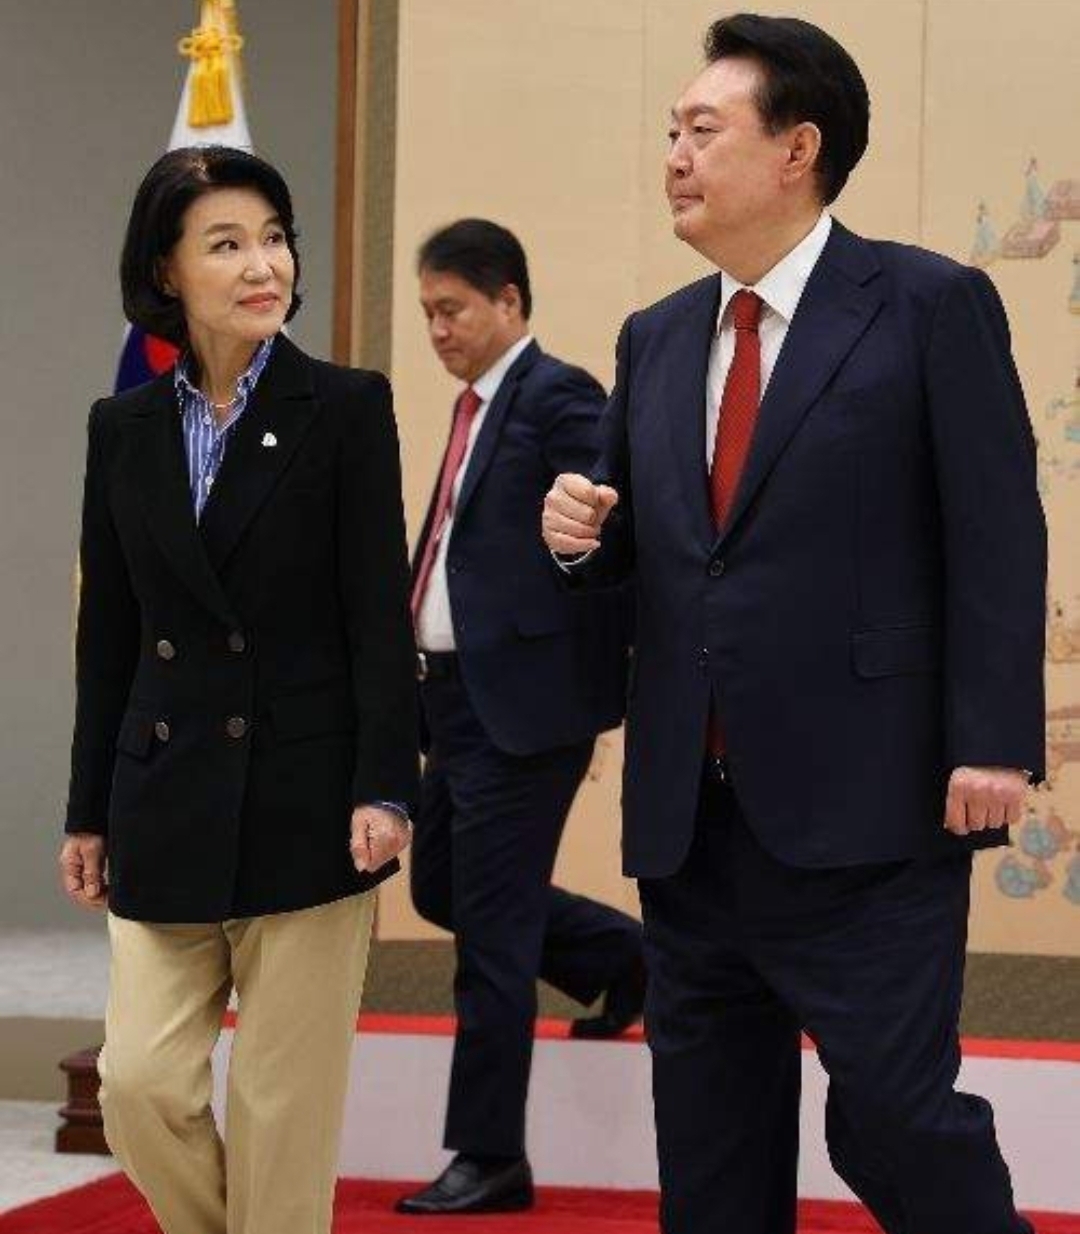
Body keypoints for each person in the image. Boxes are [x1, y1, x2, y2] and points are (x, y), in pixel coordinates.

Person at [543, 15, 1045, 1234]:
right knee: (711, 1153)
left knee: (896, 1121)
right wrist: (579, 541)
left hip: (872, 813)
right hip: (691, 822)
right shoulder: (657, 336)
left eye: (701, 129)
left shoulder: (927, 304)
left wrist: (992, 739)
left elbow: (996, 533)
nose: (673, 155)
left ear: (797, 149)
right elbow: (654, 560)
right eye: (670, 130)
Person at [59, 146, 419, 1234]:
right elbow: (110, 638)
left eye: (274, 238)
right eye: (226, 244)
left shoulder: (345, 408)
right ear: (165, 270)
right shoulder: (121, 429)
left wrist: (386, 785)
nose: (265, 265)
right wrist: (87, 810)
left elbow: (377, 615)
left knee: (279, 1111)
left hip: (308, 799)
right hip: (162, 792)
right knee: (139, 1088)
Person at [396, 219, 643, 1216]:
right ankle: (630, 960)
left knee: (491, 935)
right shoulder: (473, 408)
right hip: (451, 702)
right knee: (440, 887)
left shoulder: (557, 395)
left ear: (509, 300)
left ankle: (491, 1154)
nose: (437, 330)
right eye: (427, 313)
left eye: (452, 309)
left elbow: (608, 534)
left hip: (524, 709)